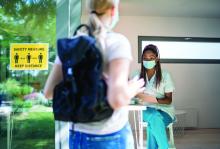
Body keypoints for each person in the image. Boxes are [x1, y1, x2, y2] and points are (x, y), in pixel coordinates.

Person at [43, 0, 145, 148]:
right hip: (109, 137)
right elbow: (117, 100)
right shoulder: (117, 42)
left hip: (76, 135)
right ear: (112, 10)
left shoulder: (71, 44)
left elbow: (48, 92)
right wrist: (133, 88)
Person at [136, 44, 175, 149]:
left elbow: (168, 100)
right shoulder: (137, 75)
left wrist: (154, 100)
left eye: (151, 58)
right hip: (145, 110)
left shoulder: (165, 75)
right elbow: (132, 95)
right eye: (145, 58)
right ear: (142, 59)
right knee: (154, 117)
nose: (148, 60)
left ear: (157, 59)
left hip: (165, 111)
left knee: (153, 123)